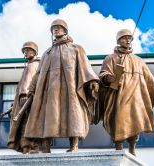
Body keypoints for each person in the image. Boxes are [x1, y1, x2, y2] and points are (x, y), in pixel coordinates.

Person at [24, 19, 99, 153]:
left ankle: (74, 145)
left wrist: (92, 80)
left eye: (59, 27)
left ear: (65, 30)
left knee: (73, 113)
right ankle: (45, 146)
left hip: (71, 88)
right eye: (53, 28)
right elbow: (38, 73)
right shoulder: (47, 53)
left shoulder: (76, 48)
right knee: (48, 116)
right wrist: (31, 88)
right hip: (50, 91)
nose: (56, 30)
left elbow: (85, 67)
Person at [99, 29, 154, 156]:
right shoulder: (110, 58)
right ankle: (118, 147)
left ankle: (132, 148)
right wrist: (109, 77)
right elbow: (103, 74)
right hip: (119, 96)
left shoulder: (138, 60)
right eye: (124, 37)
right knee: (119, 120)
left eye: (130, 38)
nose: (128, 40)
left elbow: (149, 79)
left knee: (136, 120)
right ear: (118, 40)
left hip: (136, 96)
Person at [7, 41, 40, 154]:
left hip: (28, 98)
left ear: (34, 52)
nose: (25, 53)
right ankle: (26, 147)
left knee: (27, 122)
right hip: (24, 98)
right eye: (24, 51)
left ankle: (30, 146)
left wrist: (24, 94)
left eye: (28, 50)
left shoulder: (33, 65)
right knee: (23, 123)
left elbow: (28, 80)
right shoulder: (30, 65)